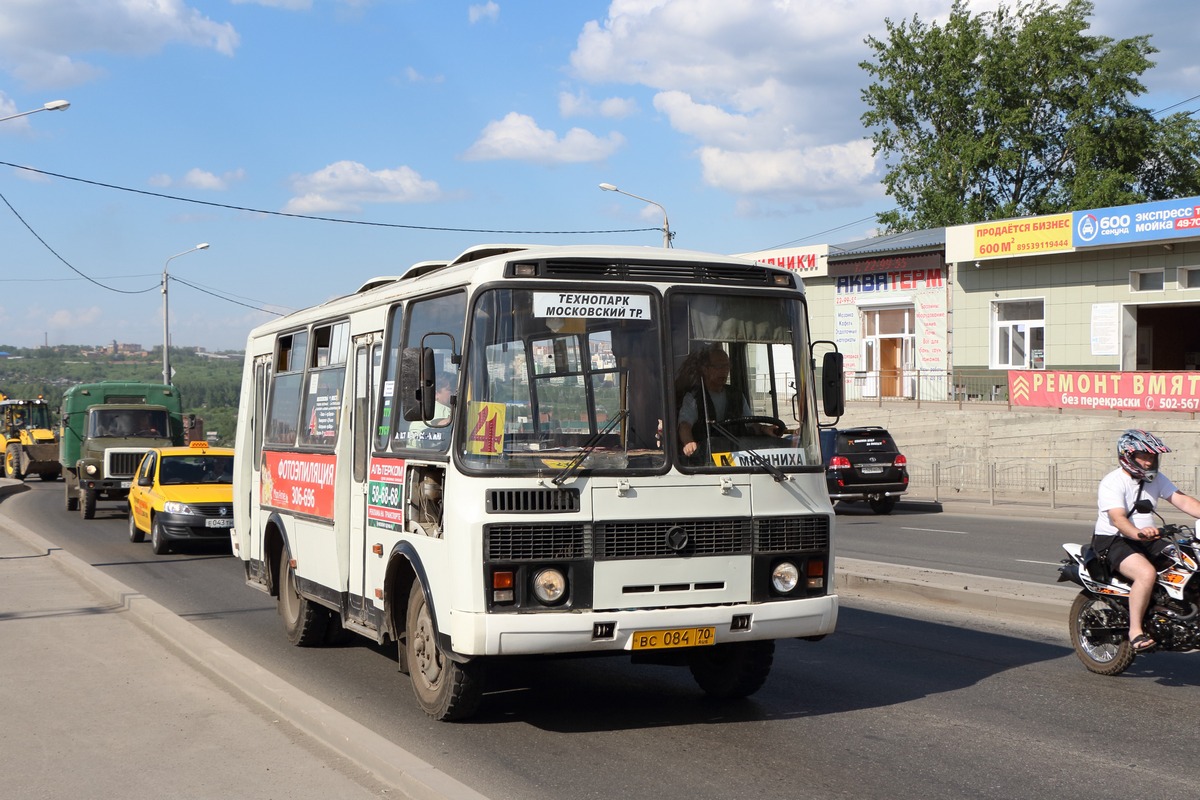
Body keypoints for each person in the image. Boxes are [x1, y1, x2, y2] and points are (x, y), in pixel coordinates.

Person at [1093, 429, 1200, 652]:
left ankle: (1173, 612)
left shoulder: (1157, 479)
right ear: (1128, 456)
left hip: (1149, 538)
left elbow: (1183, 501)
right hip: (1114, 540)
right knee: (1146, 573)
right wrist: (1137, 533)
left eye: (1152, 456)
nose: (1149, 461)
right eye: (1144, 456)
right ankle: (1135, 632)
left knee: (1187, 562)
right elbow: (1117, 519)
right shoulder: (1112, 482)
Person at [677, 344, 759, 459]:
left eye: (726, 366)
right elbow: (684, 425)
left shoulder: (737, 395)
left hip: (736, 457)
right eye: (718, 367)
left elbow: (751, 424)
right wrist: (688, 442)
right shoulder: (694, 397)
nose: (724, 371)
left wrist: (765, 429)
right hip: (706, 458)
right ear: (705, 369)